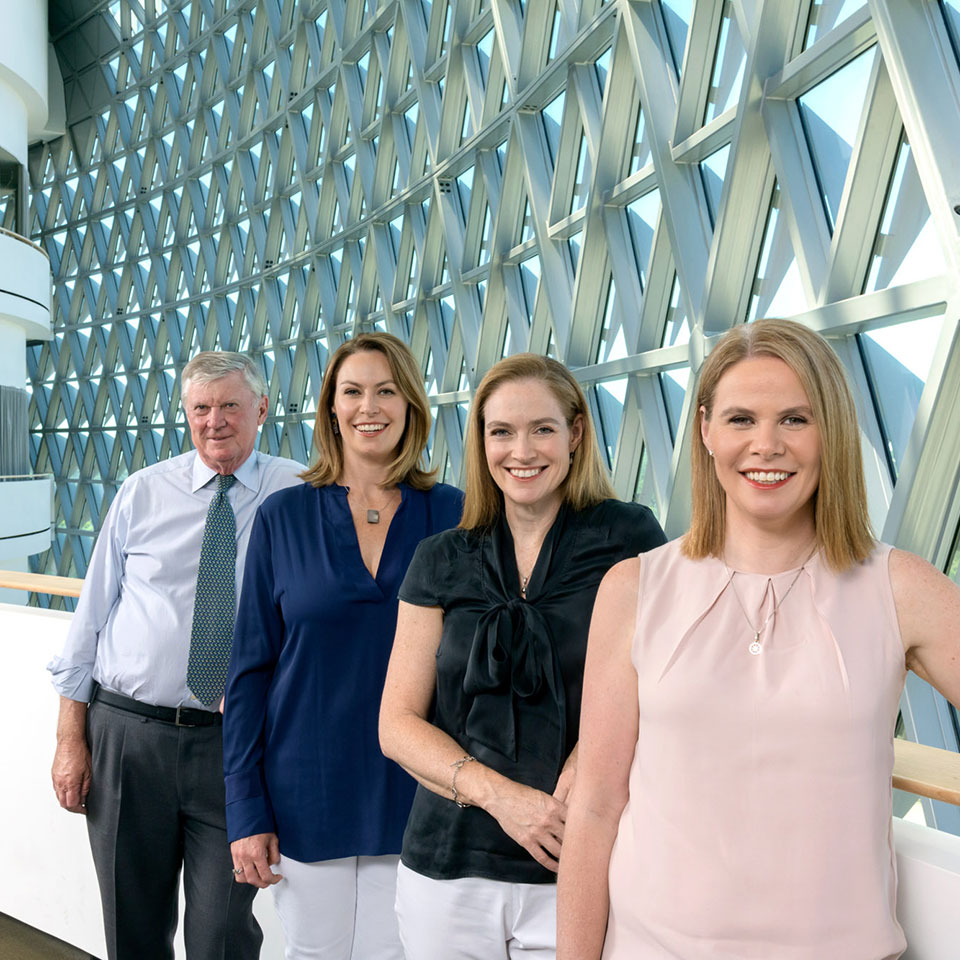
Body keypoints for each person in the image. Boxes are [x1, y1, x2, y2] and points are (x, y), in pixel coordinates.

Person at [556, 318, 960, 960]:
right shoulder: (634, 587)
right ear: (706, 430)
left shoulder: (897, 586)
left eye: (796, 420)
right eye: (742, 419)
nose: (766, 445)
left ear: (830, 433)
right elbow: (598, 805)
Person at [379, 353, 665, 960]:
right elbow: (397, 725)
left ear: (576, 434)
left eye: (542, 429)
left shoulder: (629, 539)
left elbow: (664, 683)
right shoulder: (439, 556)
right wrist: (503, 798)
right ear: (481, 442)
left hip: (583, 863)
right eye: (501, 432)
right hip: (446, 867)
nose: (522, 451)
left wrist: (589, 759)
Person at [48, 351, 303, 960]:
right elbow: (88, 626)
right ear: (186, 414)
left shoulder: (300, 493)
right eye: (201, 408)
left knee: (222, 936)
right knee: (131, 928)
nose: (215, 420)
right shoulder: (142, 492)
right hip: (127, 737)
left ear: (262, 409)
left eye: (231, 406)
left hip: (235, 746)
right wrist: (69, 738)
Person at [222, 332, 462, 960]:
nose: (369, 406)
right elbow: (248, 675)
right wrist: (246, 810)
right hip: (307, 792)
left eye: (386, 390)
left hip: (420, 793)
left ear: (411, 404)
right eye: (352, 391)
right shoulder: (283, 517)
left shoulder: (457, 516)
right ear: (331, 407)